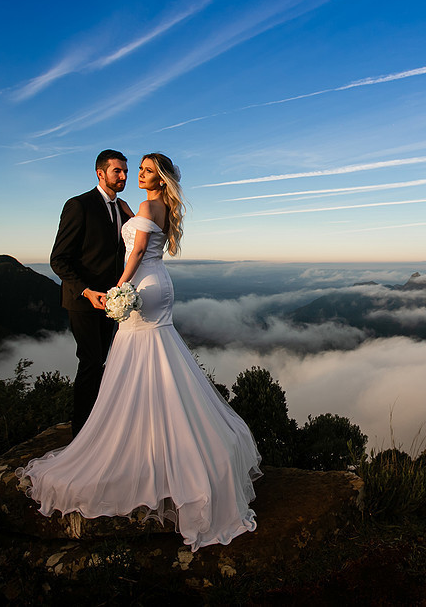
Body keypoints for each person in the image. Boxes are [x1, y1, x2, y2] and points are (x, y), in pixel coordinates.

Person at [19, 153, 262, 551]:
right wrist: (94, 290)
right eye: (123, 170)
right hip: (127, 291)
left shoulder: (139, 207)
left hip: (136, 286)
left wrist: (119, 288)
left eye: (140, 170)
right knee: (124, 360)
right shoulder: (102, 205)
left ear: (159, 177)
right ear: (101, 173)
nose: (130, 175)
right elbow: (61, 258)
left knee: (132, 357)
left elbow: (134, 252)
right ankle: (103, 433)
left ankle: (119, 439)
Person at [50, 150, 135, 437]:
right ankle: (81, 433)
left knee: (103, 364)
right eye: (117, 171)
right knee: (90, 363)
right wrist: (87, 291)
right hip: (83, 301)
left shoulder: (121, 208)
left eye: (125, 171)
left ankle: (99, 425)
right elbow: (58, 259)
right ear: (100, 173)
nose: (123, 176)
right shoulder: (79, 205)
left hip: (112, 302)